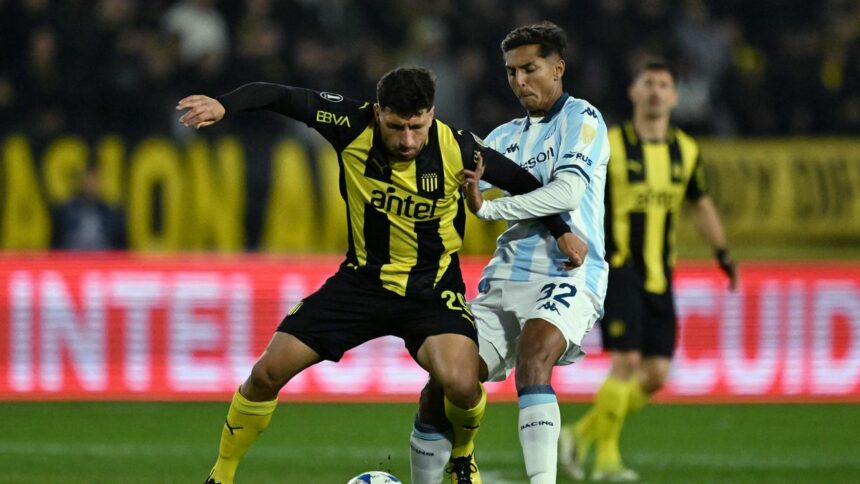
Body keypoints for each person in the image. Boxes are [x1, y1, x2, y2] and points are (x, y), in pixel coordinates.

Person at [176, 66, 580, 484]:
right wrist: (225, 104)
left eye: (417, 127)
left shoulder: (458, 148)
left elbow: (523, 181)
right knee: (266, 374)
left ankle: (462, 455)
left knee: (461, 383)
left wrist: (562, 231)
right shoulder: (349, 123)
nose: (407, 140)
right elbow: (276, 93)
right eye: (396, 126)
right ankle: (221, 475)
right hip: (360, 285)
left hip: (431, 291)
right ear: (377, 113)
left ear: (432, 114)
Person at [409, 22, 609, 484]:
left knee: (535, 356)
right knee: (443, 384)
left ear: (558, 68)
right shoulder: (501, 138)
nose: (520, 81)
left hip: (569, 272)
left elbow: (566, 193)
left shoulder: (583, 119)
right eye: (511, 72)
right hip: (505, 279)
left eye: (530, 69)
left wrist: (490, 207)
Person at [558, 59, 739, 482]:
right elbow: (577, 194)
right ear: (633, 92)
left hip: (661, 273)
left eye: (664, 84)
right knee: (626, 363)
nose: (656, 91)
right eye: (648, 84)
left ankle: (580, 434)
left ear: (675, 96)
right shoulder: (611, 146)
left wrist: (723, 252)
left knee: (655, 374)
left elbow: (701, 203)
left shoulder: (686, 151)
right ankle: (605, 460)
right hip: (619, 269)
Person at [51, 163, 126, 250]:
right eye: (89, 178)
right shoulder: (65, 211)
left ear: (102, 181)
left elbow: (120, 248)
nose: (92, 183)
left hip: (103, 260)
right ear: (82, 180)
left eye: (96, 179)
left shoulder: (112, 213)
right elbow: (56, 245)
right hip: (72, 259)